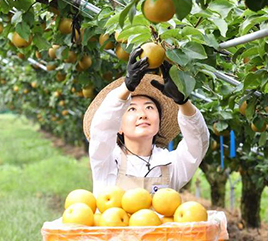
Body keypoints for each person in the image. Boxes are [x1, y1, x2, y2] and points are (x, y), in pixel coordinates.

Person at [83, 47, 210, 197]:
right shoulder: (106, 161)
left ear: (159, 121)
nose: (142, 114)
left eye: (149, 107)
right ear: (118, 126)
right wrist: (126, 87)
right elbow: (102, 128)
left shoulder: (169, 164)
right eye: (131, 109)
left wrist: (182, 102)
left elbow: (198, 144)